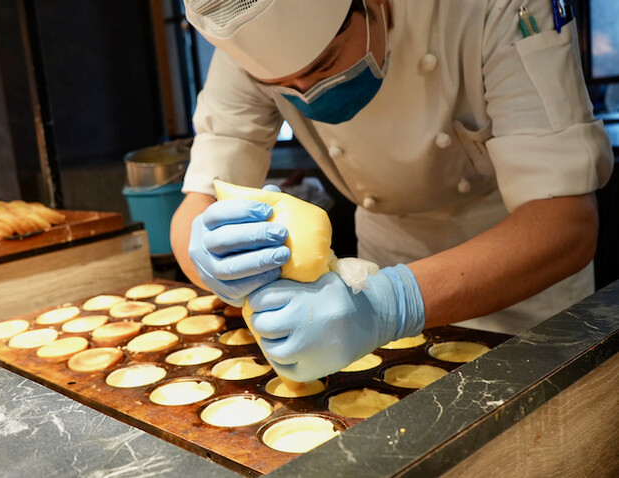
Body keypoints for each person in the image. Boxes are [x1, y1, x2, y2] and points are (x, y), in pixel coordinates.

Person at [170, 0, 614, 382]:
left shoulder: (491, 9)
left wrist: (391, 304)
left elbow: (568, 223)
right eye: (282, 88)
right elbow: (200, 197)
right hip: (378, 266)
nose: (306, 94)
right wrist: (207, 258)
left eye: (323, 64)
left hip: (518, 268)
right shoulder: (245, 43)